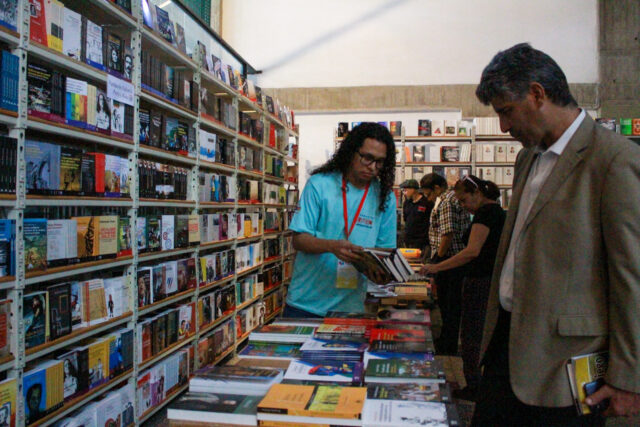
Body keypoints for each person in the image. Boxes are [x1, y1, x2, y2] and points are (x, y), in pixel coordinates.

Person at [472, 43, 640, 425]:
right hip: (506, 346)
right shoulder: (527, 157)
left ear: (537, 94)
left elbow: (632, 276)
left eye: (506, 111)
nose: (503, 127)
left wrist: (630, 377)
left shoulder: (614, 160)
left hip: (566, 365)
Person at [284, 122, 397, 318]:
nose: (372, 167)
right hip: (306, 303)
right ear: (351, 152)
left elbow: (384, 251)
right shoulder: (319, 184)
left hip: (351, 308)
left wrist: (379, 272)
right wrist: (332, 246)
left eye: (380, 162)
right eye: (367, 158)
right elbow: (299, 239)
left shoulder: (385, 198)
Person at [421, 175, 505, 398]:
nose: (462, 205)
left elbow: (471, 251)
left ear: (477, 193)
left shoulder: (485, 214)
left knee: (472, 334)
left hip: (480, 281)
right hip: (489, 281)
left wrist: (437, 267)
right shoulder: (497, 211)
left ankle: (473, 386)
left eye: (464, 200)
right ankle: (476, 384)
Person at [420, 173, 470, 355]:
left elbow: (447, 234)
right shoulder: (447, 199)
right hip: (451, 260)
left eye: (428, 194)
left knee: (449, 305)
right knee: (448, 305)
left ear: (437, 188)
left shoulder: (446, 202)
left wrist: (438, 260)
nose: (427, 199)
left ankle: (448, 345)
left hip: (449, 261)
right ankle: (446, 340)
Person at [399, 179, 433, 251]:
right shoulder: (407, 203)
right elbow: (406, 219)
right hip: (408, 240)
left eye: (405, 190)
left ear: (413, 190)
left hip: (421, 242)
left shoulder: (426, 203)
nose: (404, 193)